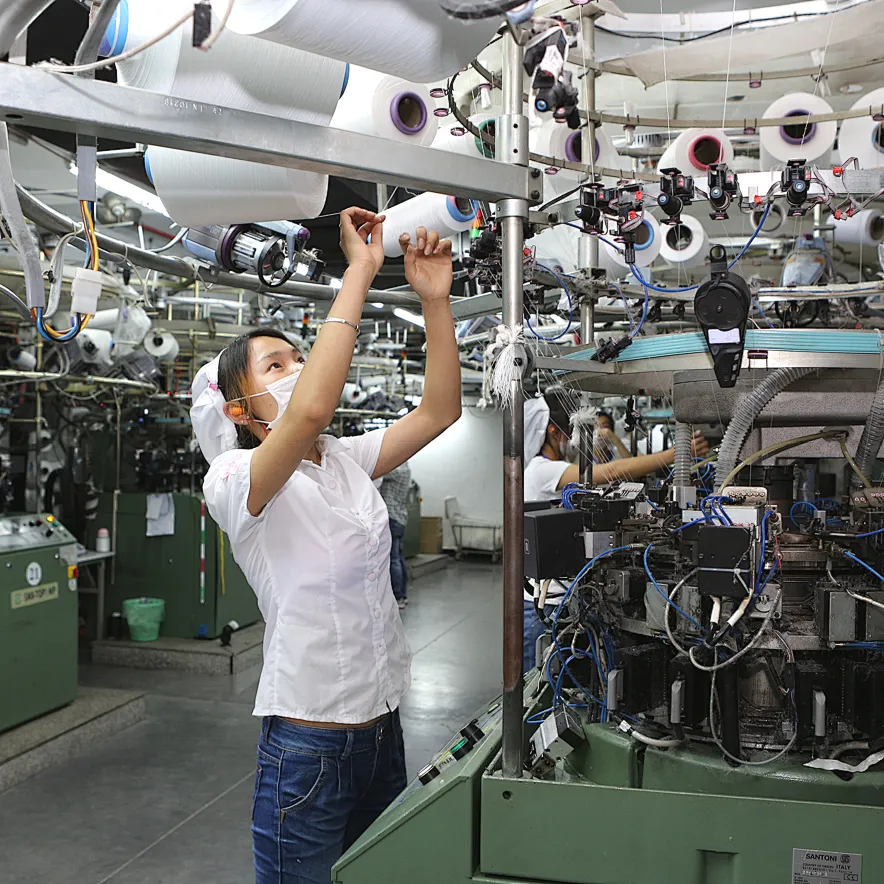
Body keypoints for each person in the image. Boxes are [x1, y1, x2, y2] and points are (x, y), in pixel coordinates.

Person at [190, 208, 461, 884]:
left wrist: (435, 301)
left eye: (298, 356)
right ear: (239, 411)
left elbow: (440, 411)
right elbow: (310, 407)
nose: (298, 368)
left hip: (381, 730)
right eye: (275, 365)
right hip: (308, 746)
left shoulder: (342, 460)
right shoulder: (235, 480)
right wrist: (360, 270)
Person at [521, 387, 708, 671]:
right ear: (552, 432)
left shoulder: (558, 468)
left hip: (562, 598)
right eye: (569, 432)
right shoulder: (539, 470)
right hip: (545, 603)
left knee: (566, 673)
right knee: (542, 677)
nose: (571, 439)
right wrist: (677, 453)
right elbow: (609, 472)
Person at [379, 461, 412, 608]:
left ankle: (397, 596)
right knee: (398, 557)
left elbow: (374, 470)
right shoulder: (405, 470)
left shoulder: (395, 470)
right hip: (400, 518)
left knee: (393, 559)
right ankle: (403, 594)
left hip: (392, 517)